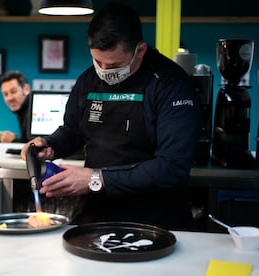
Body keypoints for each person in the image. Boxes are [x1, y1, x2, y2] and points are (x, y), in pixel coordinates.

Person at [21, 3, 201, 230]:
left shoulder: (171, 85)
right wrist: (50, 145)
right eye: (98, 62)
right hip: (96, 216)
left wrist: (95, 179)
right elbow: (72, 131)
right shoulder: (87, 81)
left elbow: (172, 167)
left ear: (140, 50)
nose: (105, 71)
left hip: (156, 221)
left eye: (115, 65)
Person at [0, 71, 31, 143]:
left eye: (13, 91)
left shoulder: (33, 112)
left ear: (26, 89)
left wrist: (13, 141)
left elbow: (37, 149)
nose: (10, 98)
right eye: (5, 94)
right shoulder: (22, 111)